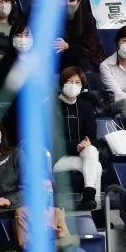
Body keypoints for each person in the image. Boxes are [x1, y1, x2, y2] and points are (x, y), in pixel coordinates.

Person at [53, 68, 101, 211]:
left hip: (82, 153)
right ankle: (95, 211)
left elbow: (92, 136)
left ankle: (89, 197)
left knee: (91, 150)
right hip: (56, 157)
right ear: (62, 83)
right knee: (95, 167)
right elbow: (52, 142)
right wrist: (76, 146)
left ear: (82, 86)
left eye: (77, 82)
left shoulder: (85, 106)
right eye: (69, 81)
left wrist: (87, 142)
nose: (73, 85)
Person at [15, 182, 90, 252]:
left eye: (48, 187)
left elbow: (65, 236)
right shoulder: (22, 212)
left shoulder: (56, 212)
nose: (46, 191)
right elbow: (25, 244)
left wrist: (58, 236)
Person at [59, 0, 104, 71]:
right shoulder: (50, 17)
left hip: (79, 58)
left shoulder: (87, 19)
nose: (67, 4)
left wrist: (68, 46)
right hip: (57, 57)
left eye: (71, 1)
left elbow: (90, 49)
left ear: (79, 2)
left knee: (83, 63)